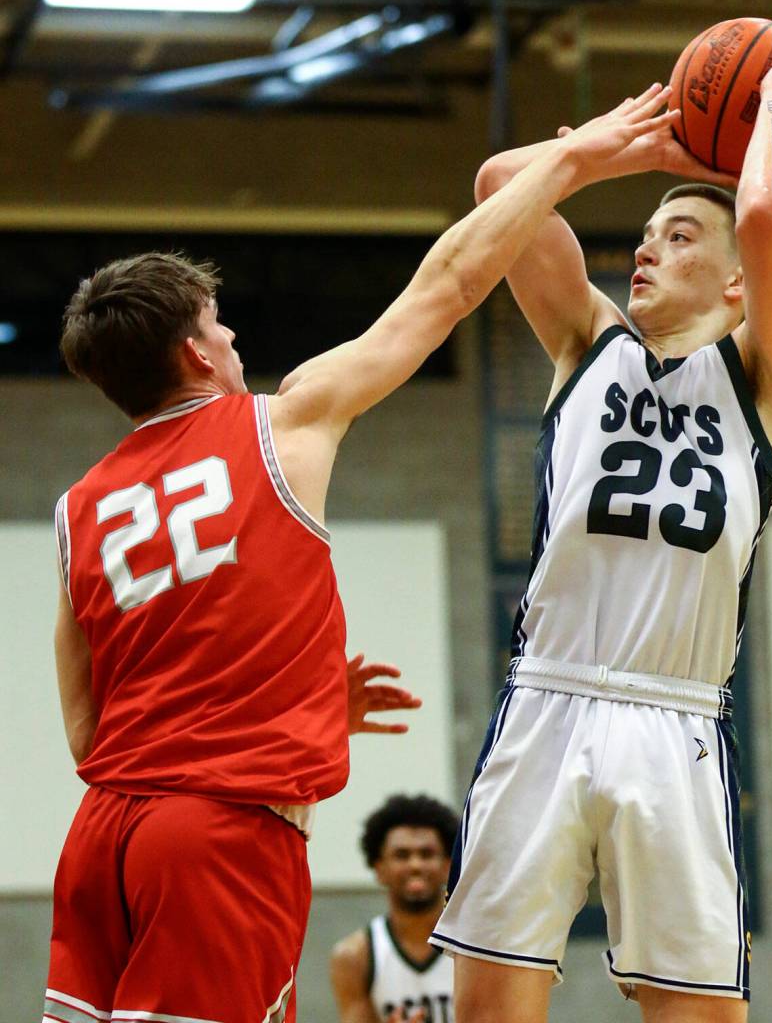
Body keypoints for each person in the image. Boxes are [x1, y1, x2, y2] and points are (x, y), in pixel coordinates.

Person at [43, 86, 693, 1023]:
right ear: (194, 352)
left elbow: (87, 734)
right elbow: (451, 284)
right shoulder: (283, 420)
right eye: (221, 324)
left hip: (100, 841)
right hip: (219, 836)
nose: (233, 337)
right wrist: (580, 156)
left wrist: (275, 702)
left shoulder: (78, 509)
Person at [429, 28, 772, 1023]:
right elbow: (498, 186)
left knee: (697, 1015)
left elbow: (770, 211)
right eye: (646, 233)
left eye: (682, 235)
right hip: (549, 701)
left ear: (738, 283)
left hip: (678, 719)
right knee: (488, 1011)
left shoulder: (764, 375)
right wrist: (634, 149)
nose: (648, 246)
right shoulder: (586, 344)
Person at [331, 794, 460, 1023]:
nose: (415, 865)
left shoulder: (473, 946)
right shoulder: (354, 957)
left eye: (426, 854)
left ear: (447, 865)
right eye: (402, 855)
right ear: (379, 868)